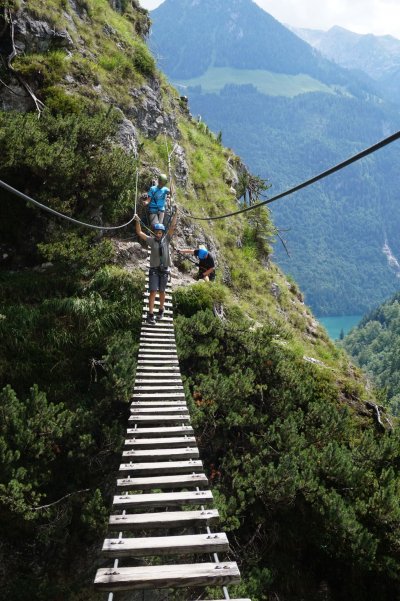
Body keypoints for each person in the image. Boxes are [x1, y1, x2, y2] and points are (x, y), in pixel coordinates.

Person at [134, 209, 178, 324]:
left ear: (162, 233)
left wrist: (176, 215)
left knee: (162, 291)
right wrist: (137, 221)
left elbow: (172, 227)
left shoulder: (166, 240)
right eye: (157, 232)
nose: (158, 234)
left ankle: (161, 310)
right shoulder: (151, 241)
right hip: (154, 270)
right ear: (154, 233)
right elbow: (140, 233)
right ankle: (150, 314)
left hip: (164, 270)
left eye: (160, 233)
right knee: (153, 291)